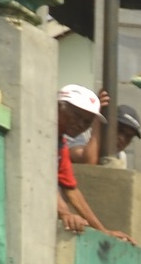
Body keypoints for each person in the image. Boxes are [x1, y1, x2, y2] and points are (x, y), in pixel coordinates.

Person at [53, 86, 125, 240]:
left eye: (87, 122)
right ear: (58, 107)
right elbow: (41, 180)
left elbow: (71, 190)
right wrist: (64, 213)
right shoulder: (42, 134)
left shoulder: (61, 145)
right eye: (76, 116)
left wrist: (102, 231)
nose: (80, 124)